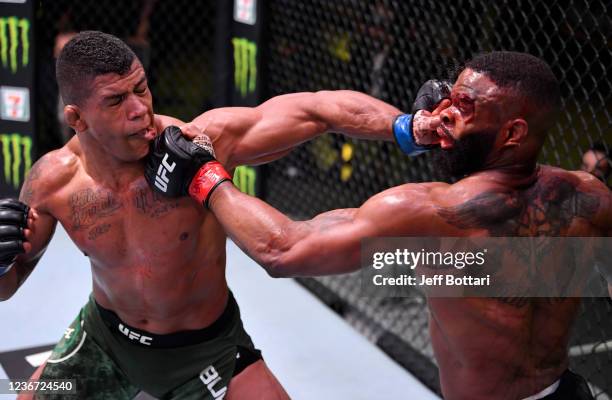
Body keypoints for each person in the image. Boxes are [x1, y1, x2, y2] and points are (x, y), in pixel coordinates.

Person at [0, 31, 441, 399]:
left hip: (208, 347)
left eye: (141, 88)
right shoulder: (52, 181)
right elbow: (8, 286)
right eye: (116, 101)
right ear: (77, 118)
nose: (140, 110)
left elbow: (315, 110)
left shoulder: (204, 142)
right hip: (106, 339)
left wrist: (406, 127)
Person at [149, 51, 612, 399]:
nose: (447, 111)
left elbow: (282, 250)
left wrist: (205, 176)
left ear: (512, 133)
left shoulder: (430, 213)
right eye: (450, 97)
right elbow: (320, 112)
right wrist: (409, 127)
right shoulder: (590, 197)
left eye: (467, 108)